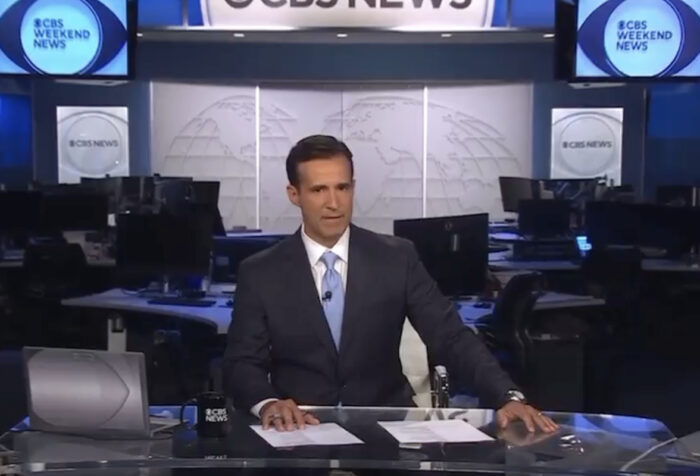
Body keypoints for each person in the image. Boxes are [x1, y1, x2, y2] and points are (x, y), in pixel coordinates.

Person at [224, 135, 557, 434]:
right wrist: (268, 403)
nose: (334, 203)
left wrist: (506, 396)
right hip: (299, 430)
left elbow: (451, 336)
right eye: (318, 190)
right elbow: (242, 362)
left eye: (342, 188)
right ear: (294, 194)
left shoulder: (396, 257)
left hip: (384, 431)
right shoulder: (261, 272)